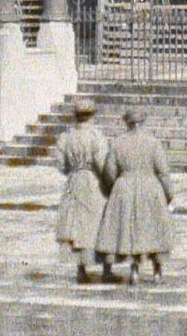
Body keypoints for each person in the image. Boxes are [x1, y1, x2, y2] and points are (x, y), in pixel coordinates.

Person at [96, 107, 175, 283]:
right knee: (154, 228)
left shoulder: (118, 143)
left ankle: (133, 270)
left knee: (128, 229)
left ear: (127, 123)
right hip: (150, 187)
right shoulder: (153, 142)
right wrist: (168, 194)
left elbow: (109, 172)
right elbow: (163, 172)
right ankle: (157, 271)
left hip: (124, 187)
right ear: (143, 122)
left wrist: (112, 190)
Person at [54, 99, 113, 285]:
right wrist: (109, 182)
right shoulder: (96, 137)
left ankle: (81, 269)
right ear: (92, 115)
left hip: (74, 181)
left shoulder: (66, 137)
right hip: (93, 182)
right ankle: (106, 269)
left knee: (77, 225)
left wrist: (74, 171)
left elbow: (61, 164)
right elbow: (102, 164)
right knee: (100, 223)